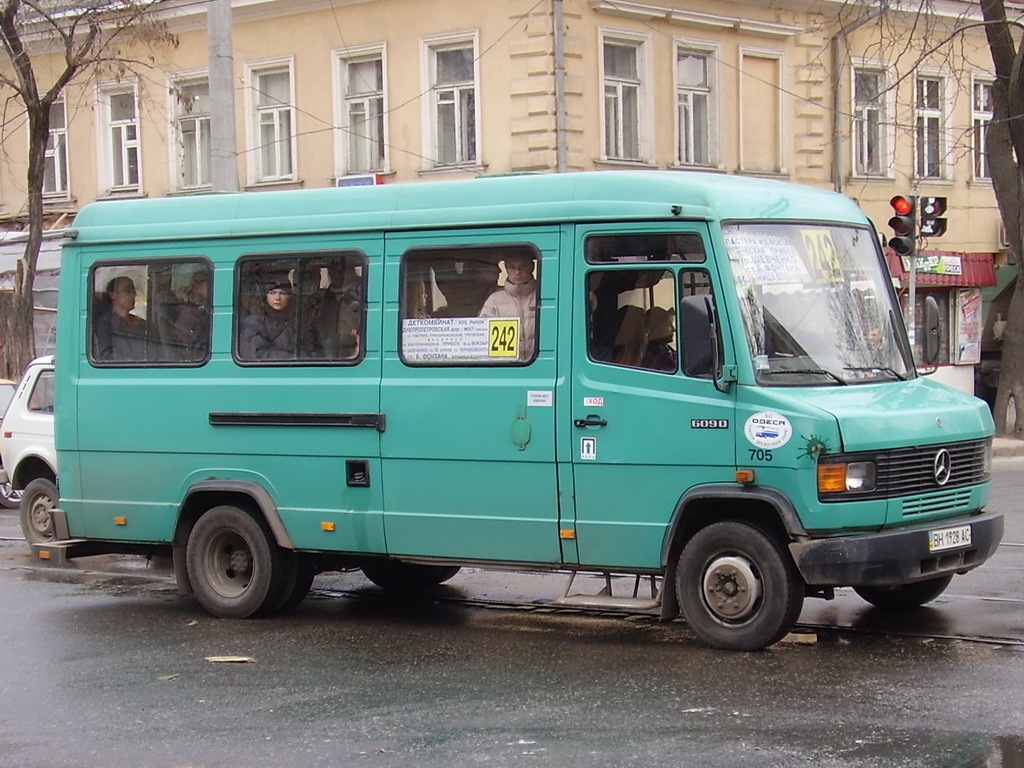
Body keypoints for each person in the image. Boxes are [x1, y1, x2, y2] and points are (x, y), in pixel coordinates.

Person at [478, 252, 537, 361]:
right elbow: (482, 339)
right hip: (507, 369)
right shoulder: (494, 301)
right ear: (506, 268)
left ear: (532, 267)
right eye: (512, 267)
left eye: (523, 266)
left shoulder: (544, 296)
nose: (517, 272)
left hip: (541, 368)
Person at [239, 281, 301, 360]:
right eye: (272, 293)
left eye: (283, 293)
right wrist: (294, 358)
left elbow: (311, 347)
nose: (277, 298)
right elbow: (257, 353)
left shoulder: (299, 319)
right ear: (266, 297)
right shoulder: (255, 321)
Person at [158, 270, 211, 362]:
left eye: (201, 281)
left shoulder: (208, 317)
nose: (196, 285)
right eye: (195, 282)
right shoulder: (176, 326)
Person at [94, 276, 150, 361]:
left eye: (134, 292)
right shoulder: (105, 323)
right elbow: (106, 355)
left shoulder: (141, 323)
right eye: (127, 291)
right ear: (113, 295)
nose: (133, 295)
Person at [316, 259, 361, 359]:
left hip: (357, 351)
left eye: (343, 268)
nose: (338, 273)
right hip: (330, 353)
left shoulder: (363, 290)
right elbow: (320, 324)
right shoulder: (325, 297)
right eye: (333, 269)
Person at [641, 307, 678, 372]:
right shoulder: (652, 356)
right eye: (668, 325)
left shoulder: (664, 348)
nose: (673, 329)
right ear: (656, 329)